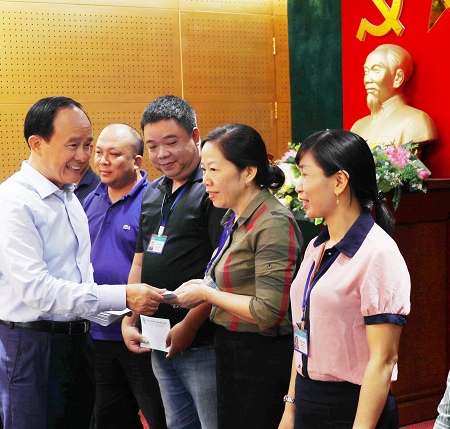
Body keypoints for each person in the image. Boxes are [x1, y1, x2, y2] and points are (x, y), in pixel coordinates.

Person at [0, 96, 165, 429]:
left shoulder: (69, 197)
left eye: (87, 145)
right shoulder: (13, 202)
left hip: (79, 341)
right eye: (73, 145)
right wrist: (124, 295)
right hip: (30, 345)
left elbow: (81, 281)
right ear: (37, 143)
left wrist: (127, 313)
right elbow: (39, 291)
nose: (84, 157)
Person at [170, 123, 302, 429]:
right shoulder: (235, 216)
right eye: (204, 169)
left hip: (261, 356)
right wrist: (205, 286)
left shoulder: (272, 222)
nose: (206, 179)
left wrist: (207, 294)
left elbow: (267, 313)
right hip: (232, 349)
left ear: (248, 172)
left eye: (215, 169)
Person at [278, 129, 411, 429]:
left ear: (339, 181)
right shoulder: (316, 246)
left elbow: (383, 361)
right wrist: (290, 408)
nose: (298, 186)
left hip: (352, 409)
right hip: (308, 399)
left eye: (305, 174)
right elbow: (302, 336)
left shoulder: (378, 252)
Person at [122, 95, 226, 429]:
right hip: (158, 338)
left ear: (195, 136)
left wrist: (189, 325)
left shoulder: (213, 189)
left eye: (171, 142)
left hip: (202, 342)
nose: (161, 154)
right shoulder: (152, 191)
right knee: (176, 424)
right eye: (152, 146)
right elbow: (140, 261)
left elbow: (223, 271)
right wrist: (130, 317)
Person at [83, 123, 167, 429]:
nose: (102, 161)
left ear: (136, 161)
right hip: (98, 331)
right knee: (109, 418)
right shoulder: (91, 198)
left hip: (140, 332)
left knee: (158, 415)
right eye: (99, 152)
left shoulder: (155, 201)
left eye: (114, 154)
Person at [350, 44, 437, 147]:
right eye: (366, 71)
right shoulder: (357, 127)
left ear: (398, 78)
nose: (367, 80)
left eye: (376, 70)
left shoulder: (416, 121)